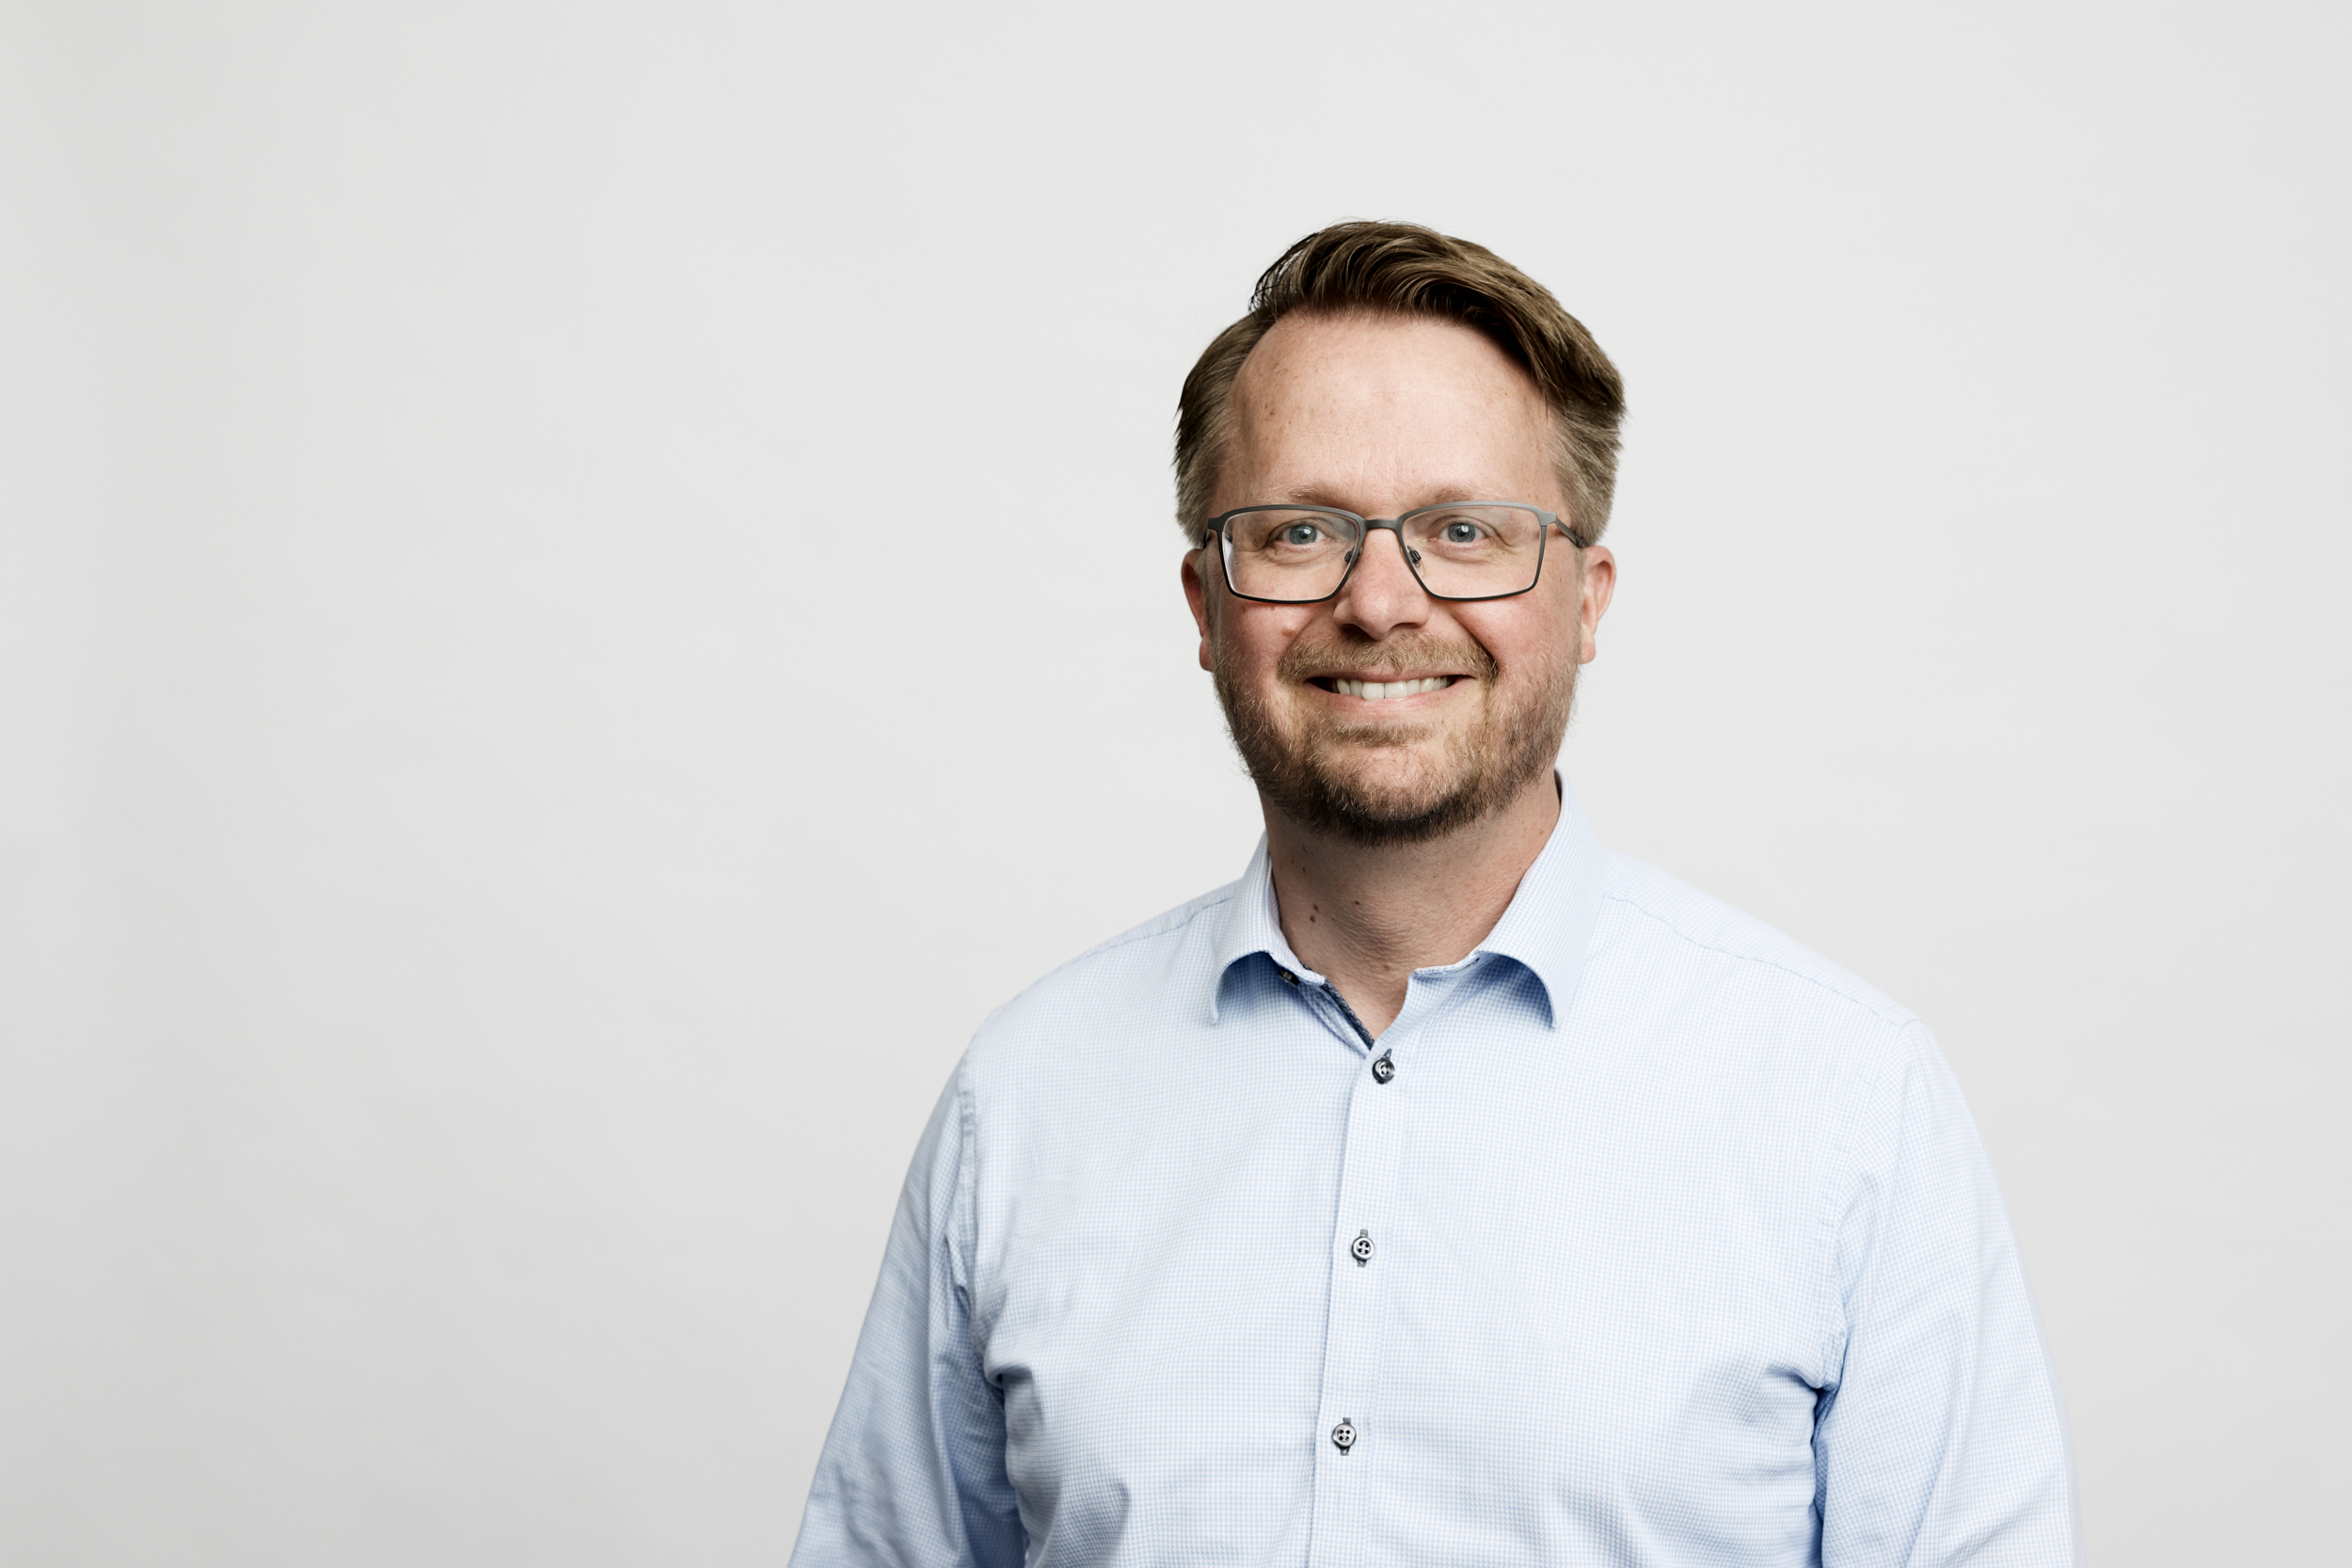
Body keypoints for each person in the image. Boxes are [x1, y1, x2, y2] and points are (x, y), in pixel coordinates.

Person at [789, 221, 2075, 1566]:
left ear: (1589, 600)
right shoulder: (1026, 1099)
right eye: (1299, 532)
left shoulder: (1847, 1100)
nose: (1380, 603)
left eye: (1464, 532)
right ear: (1206, 605)